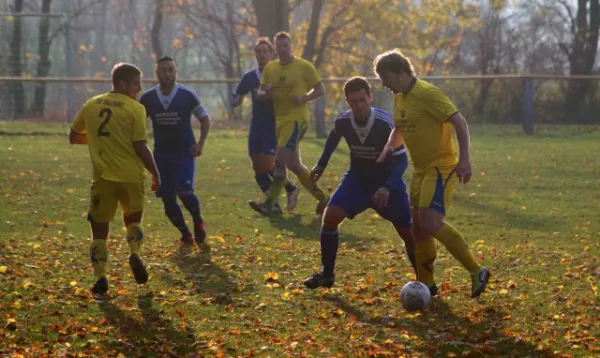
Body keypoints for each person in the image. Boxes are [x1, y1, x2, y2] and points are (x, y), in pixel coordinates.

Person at [373, 49, 490, 298]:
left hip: (441, 167)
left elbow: (460, 122)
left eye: (385, 77)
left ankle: (476, 270)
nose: (384, 84)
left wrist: (465, 160)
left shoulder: (427, 93)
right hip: (420, 170)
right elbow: (400, 128)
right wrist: (387, 147)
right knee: (418, 229)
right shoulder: (400, 98)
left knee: (429, 223)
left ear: (399, 72)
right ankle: (427, 285)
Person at [303, 76, 416, 289]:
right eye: (354, 101)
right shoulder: (343, 121)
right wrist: (321, 164)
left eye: (362, 100)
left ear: (370, 98)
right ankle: (327, 274)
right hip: (357, 180)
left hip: (387, 183)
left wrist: (386, 187)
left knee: (409, 235)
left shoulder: (384, 123)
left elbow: (402, 160)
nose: (359, 105)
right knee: (330, 218)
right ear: (347, 101)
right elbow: (335, 135)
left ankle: (425, 281)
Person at [69, 62, 160, 295]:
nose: (138, 89)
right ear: (121, 83)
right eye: (136, 84)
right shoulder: (136, 109)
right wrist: (155, 172)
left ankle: (100, 277)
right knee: (133, 220)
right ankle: (135, 253)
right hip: (131, 177)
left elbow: (74, 136)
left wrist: (102, 143)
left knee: (99, 231)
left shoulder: (92, 104)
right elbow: (140, 146)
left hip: (103, 179)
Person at [248, 31, 329, 216]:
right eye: (279, 46)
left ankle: (268, 205)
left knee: (279, 161)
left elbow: (320, 89)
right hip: (280, 121)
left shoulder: (303, 66)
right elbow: (260, 93)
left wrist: (304, 98)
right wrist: (266, 92)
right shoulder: (270, 68)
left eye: (286, 45)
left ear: (291, 46)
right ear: (275, 48)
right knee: (294, 165)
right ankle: (324, 199)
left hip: (297, 119)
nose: (283, 49)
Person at [139, 56, 210, 247]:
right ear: (157, 73)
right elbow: (136, 124)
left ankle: (198, 221)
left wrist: (200, 144)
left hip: (184, 153)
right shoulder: (148, 98)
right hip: (161, 155)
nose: (167, 73)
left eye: (171, 70)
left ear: (176, 72)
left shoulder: (187, 95)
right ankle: (185, 234)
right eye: (163, 70)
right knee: (168, 200)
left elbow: (205, 119)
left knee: (185, 191)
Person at [232, 37, 300, 212]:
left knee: (269, 165)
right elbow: (237, 95)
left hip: (274, 124)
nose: (261, 55)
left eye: (264, 51)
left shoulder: (279, 74)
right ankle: (274, 206)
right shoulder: (249, 77)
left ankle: (290, 189)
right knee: (257, 167)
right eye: (258, 52)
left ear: (271, 54)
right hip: (257, 125)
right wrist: (236, 100)